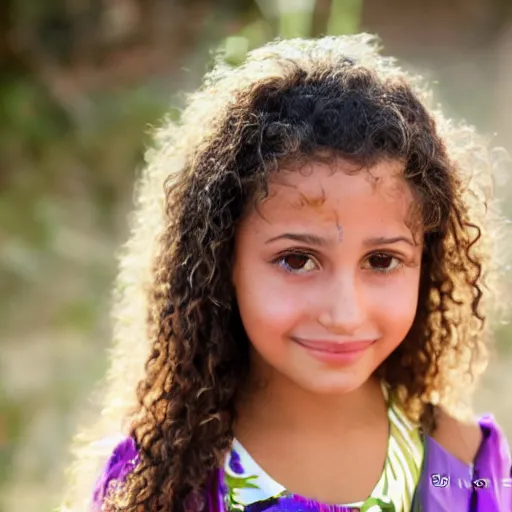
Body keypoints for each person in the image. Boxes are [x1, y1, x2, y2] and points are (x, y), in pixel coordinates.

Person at [63, 34, 512, 512]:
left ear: (427, 263)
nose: (344, 313)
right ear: (223, 262)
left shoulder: (464, 469)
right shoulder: (165, 481)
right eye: (297, 260)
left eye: (382, 261)